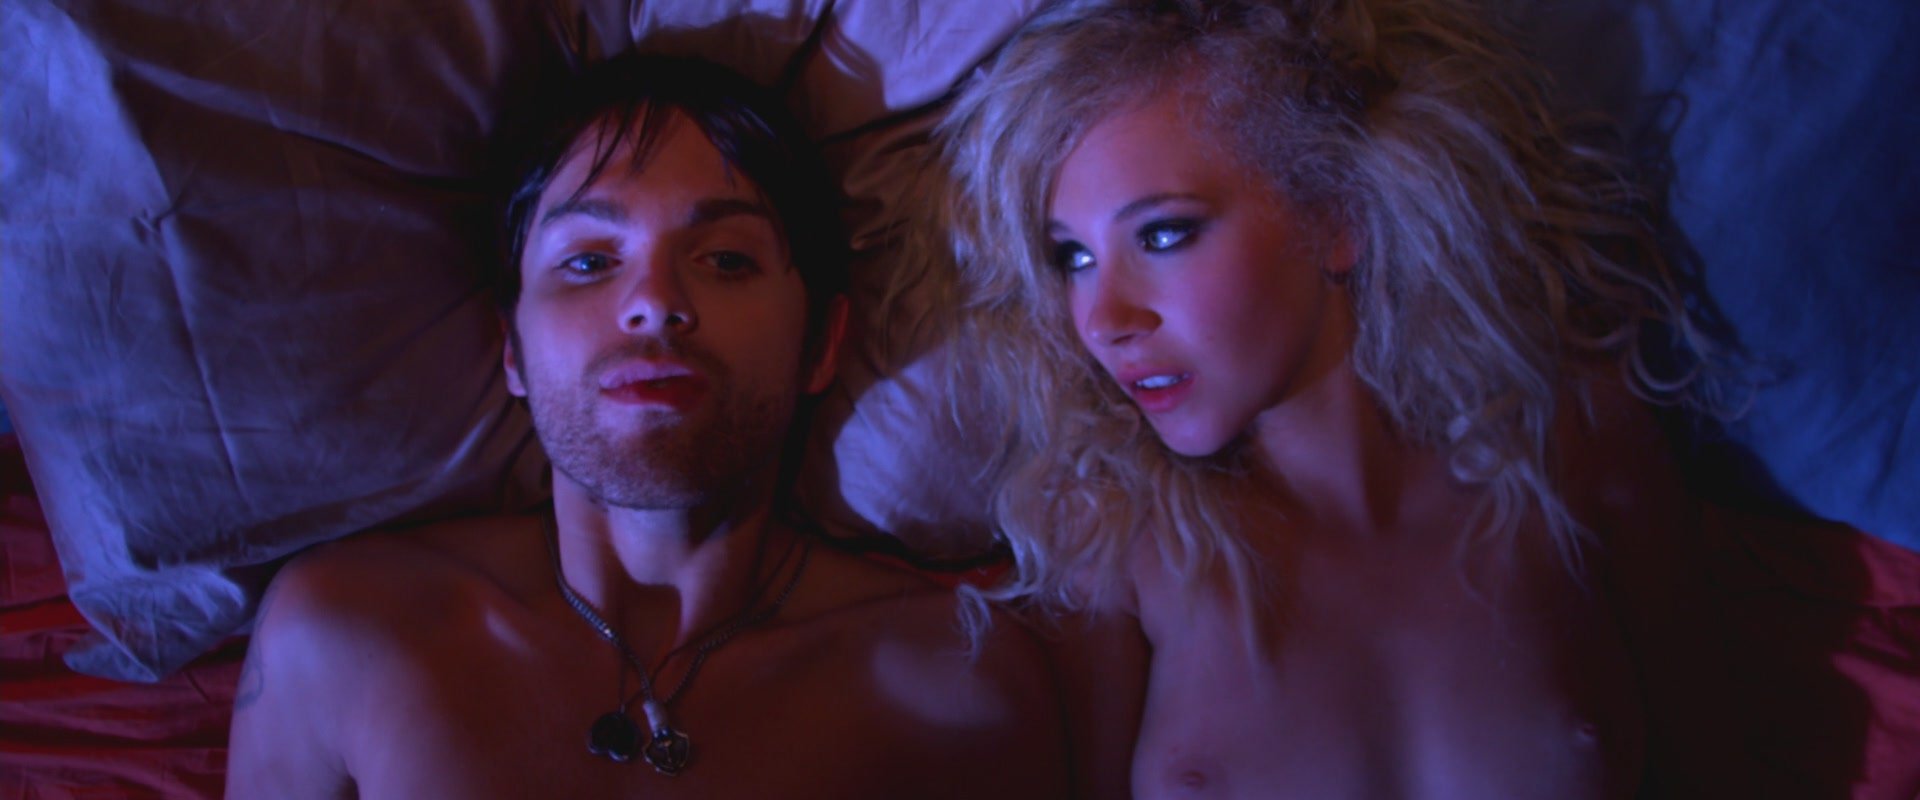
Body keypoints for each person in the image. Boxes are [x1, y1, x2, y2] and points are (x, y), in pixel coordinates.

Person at [926, 0, 1732, 796]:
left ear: (1336, 216)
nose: (1104, 319)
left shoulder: (1576, 436)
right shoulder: (1111, 539)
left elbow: (1722, 762)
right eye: (1072, 258)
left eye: (1163, 234)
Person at [227, 54, 1069, 799]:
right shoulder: (342, 637)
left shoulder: (963, 681)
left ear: (820, 345)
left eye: (727, 259)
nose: (655, 303)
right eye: (589, 261)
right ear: (511, 349)